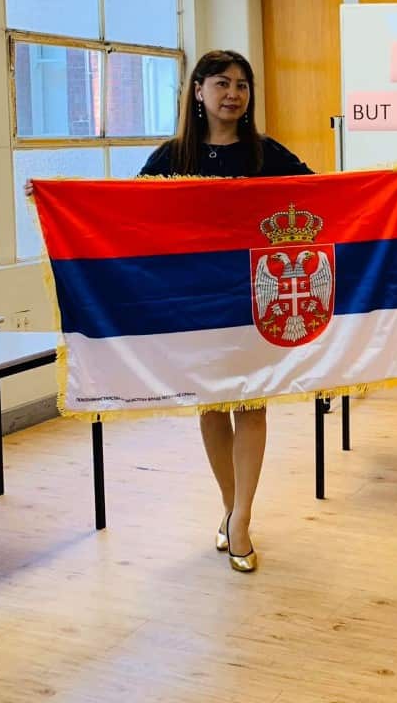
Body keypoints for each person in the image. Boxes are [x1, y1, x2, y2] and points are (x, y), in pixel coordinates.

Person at [140, 49, 313, 573]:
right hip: (197, 303)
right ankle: (230, 507)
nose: (233, 93)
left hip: (254, 301)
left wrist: (390, 183)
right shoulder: (172, 158)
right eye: (221, 83)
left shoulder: (266, 153)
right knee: (212, 406)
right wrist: (56, 197)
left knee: (252, 406)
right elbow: (123, 207)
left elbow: (323, 193)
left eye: (242, 85)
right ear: (198, 91)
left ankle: (240, 521)